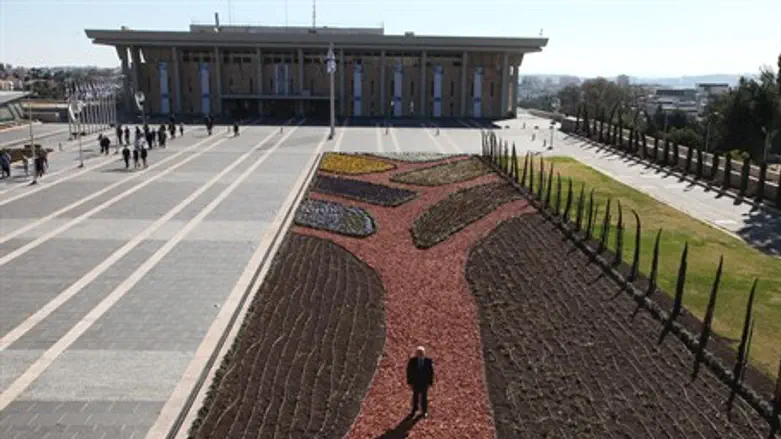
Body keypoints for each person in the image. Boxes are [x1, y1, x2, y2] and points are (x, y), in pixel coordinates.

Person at [406, 346, 434, 418]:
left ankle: (424, 411)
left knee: (424, 397)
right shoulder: (412, 361)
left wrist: (430, 383)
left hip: (424, 382)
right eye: (418, 353)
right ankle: (414, 410)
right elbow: (409, 372)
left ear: (424, 353)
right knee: (415, 396)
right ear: (416, 353)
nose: (420, 354)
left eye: (421, 353)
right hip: (415, 382)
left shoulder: (428, 361)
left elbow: (431, 372)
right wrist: (409, 382)